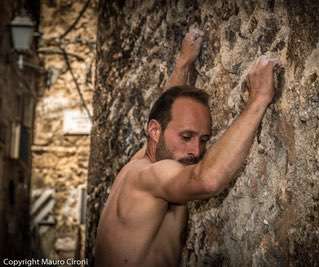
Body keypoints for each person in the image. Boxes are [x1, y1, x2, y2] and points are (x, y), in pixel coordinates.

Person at [94, 27, 280, 267]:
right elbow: (207, 180)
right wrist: (258, 99)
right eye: (186, 137)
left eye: (203, 139)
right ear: (154, 132)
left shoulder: (137, 164)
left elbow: (165, 117)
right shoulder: (150, 176)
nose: (196, 151)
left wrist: (183, 64)